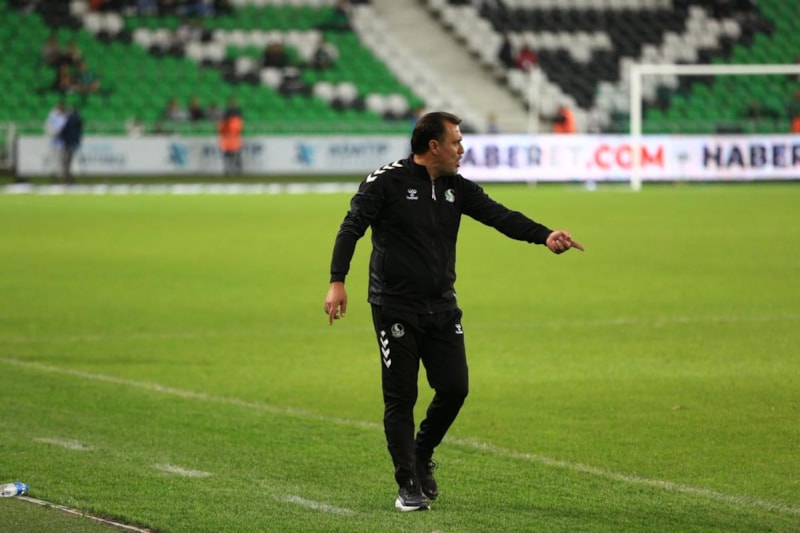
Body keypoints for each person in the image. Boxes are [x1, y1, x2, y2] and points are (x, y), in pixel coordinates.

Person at [323, 111, 584, 512]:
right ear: (434, 146)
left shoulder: (455, 187)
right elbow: (351, 228)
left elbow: (500, 216)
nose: (462, 149)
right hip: (395, 307)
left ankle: (421, 453)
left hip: (442, 306)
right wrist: (337, 281)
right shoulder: (385, 182)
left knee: (455, 388)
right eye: (456, 142)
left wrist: (544, 235)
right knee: (401, 397)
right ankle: (407, 484)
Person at [218, 98, 243, 175]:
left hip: (233, 139)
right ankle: (229, 169)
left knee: (234, 155)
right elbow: (221, 129)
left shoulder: (236, 118)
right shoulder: (228, 118)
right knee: (228, 155)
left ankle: (236, 169)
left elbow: (238, 129)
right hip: (228, 140)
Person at [59, 105, 83, 184]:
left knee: (67, 161)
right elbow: (79, 131)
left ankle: (67, 178)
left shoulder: (68, 119)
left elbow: (64, 130)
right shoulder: (78, 119)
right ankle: (71, 178)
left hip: (68, 142)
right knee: (71, 160)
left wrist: (62, 136)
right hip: (74, 142)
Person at [44, 101, 67, 181]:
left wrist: (61, 131)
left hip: (62, 140)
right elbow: (48, 126)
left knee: (61, 158)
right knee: (54, 157)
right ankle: (54, 173)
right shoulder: (52, 115)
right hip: (54, 139)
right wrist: (55, 132)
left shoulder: (64, 116)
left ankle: (60, 173)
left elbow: (64, 126)